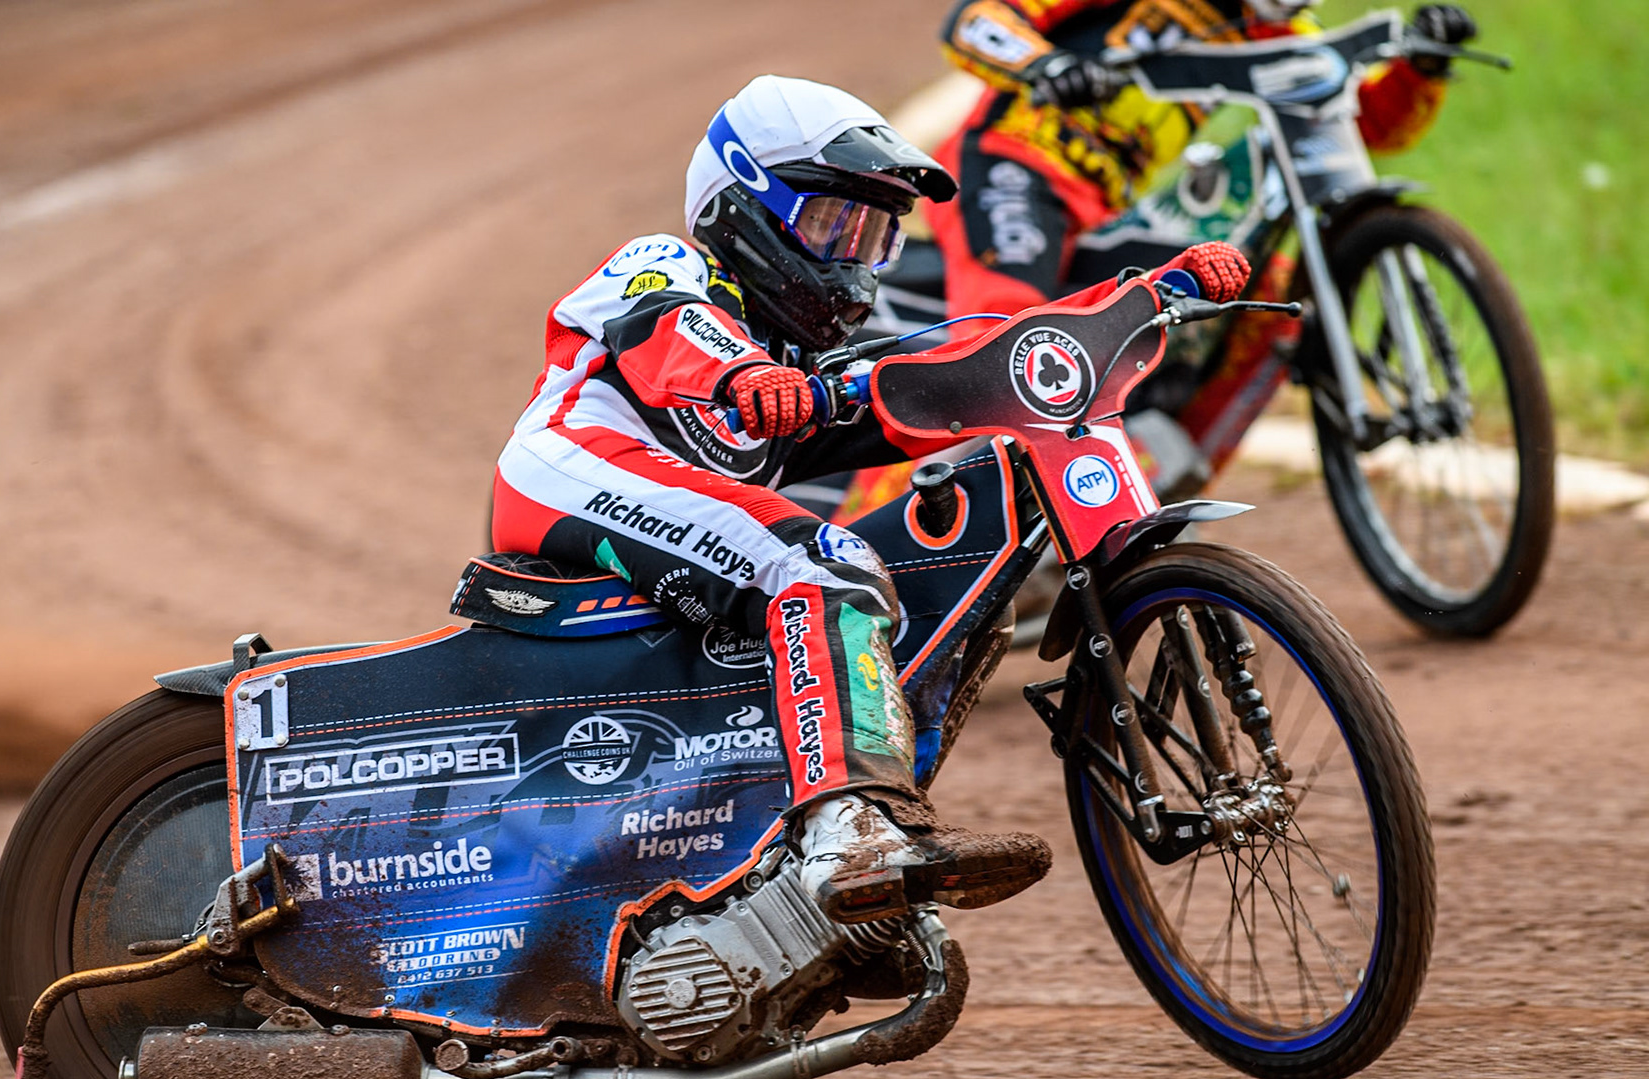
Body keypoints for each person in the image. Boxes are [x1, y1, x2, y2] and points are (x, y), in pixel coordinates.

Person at [491, 75, 1251, 924]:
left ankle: (795, 839)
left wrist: (1146, 293)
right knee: (820, 562)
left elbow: (971, 354)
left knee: (941, 555)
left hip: (688, 485)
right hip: (572, 470)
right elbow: (672, 329)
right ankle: (849, 828)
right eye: (831, 223)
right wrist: (743, 374)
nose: (854, 257)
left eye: (876, 234)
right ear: (741, 203)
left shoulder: (795, 363)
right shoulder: (666, 265)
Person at [927, 0, 1478, 320]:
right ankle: (905, 508)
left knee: (1260, 308)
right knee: (1005, 332)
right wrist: (1044, 66)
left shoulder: (1275, 30)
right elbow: (975, 20)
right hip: (1013, 164)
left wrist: (1419, 70)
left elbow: (1369, 123)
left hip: (1106, 210)